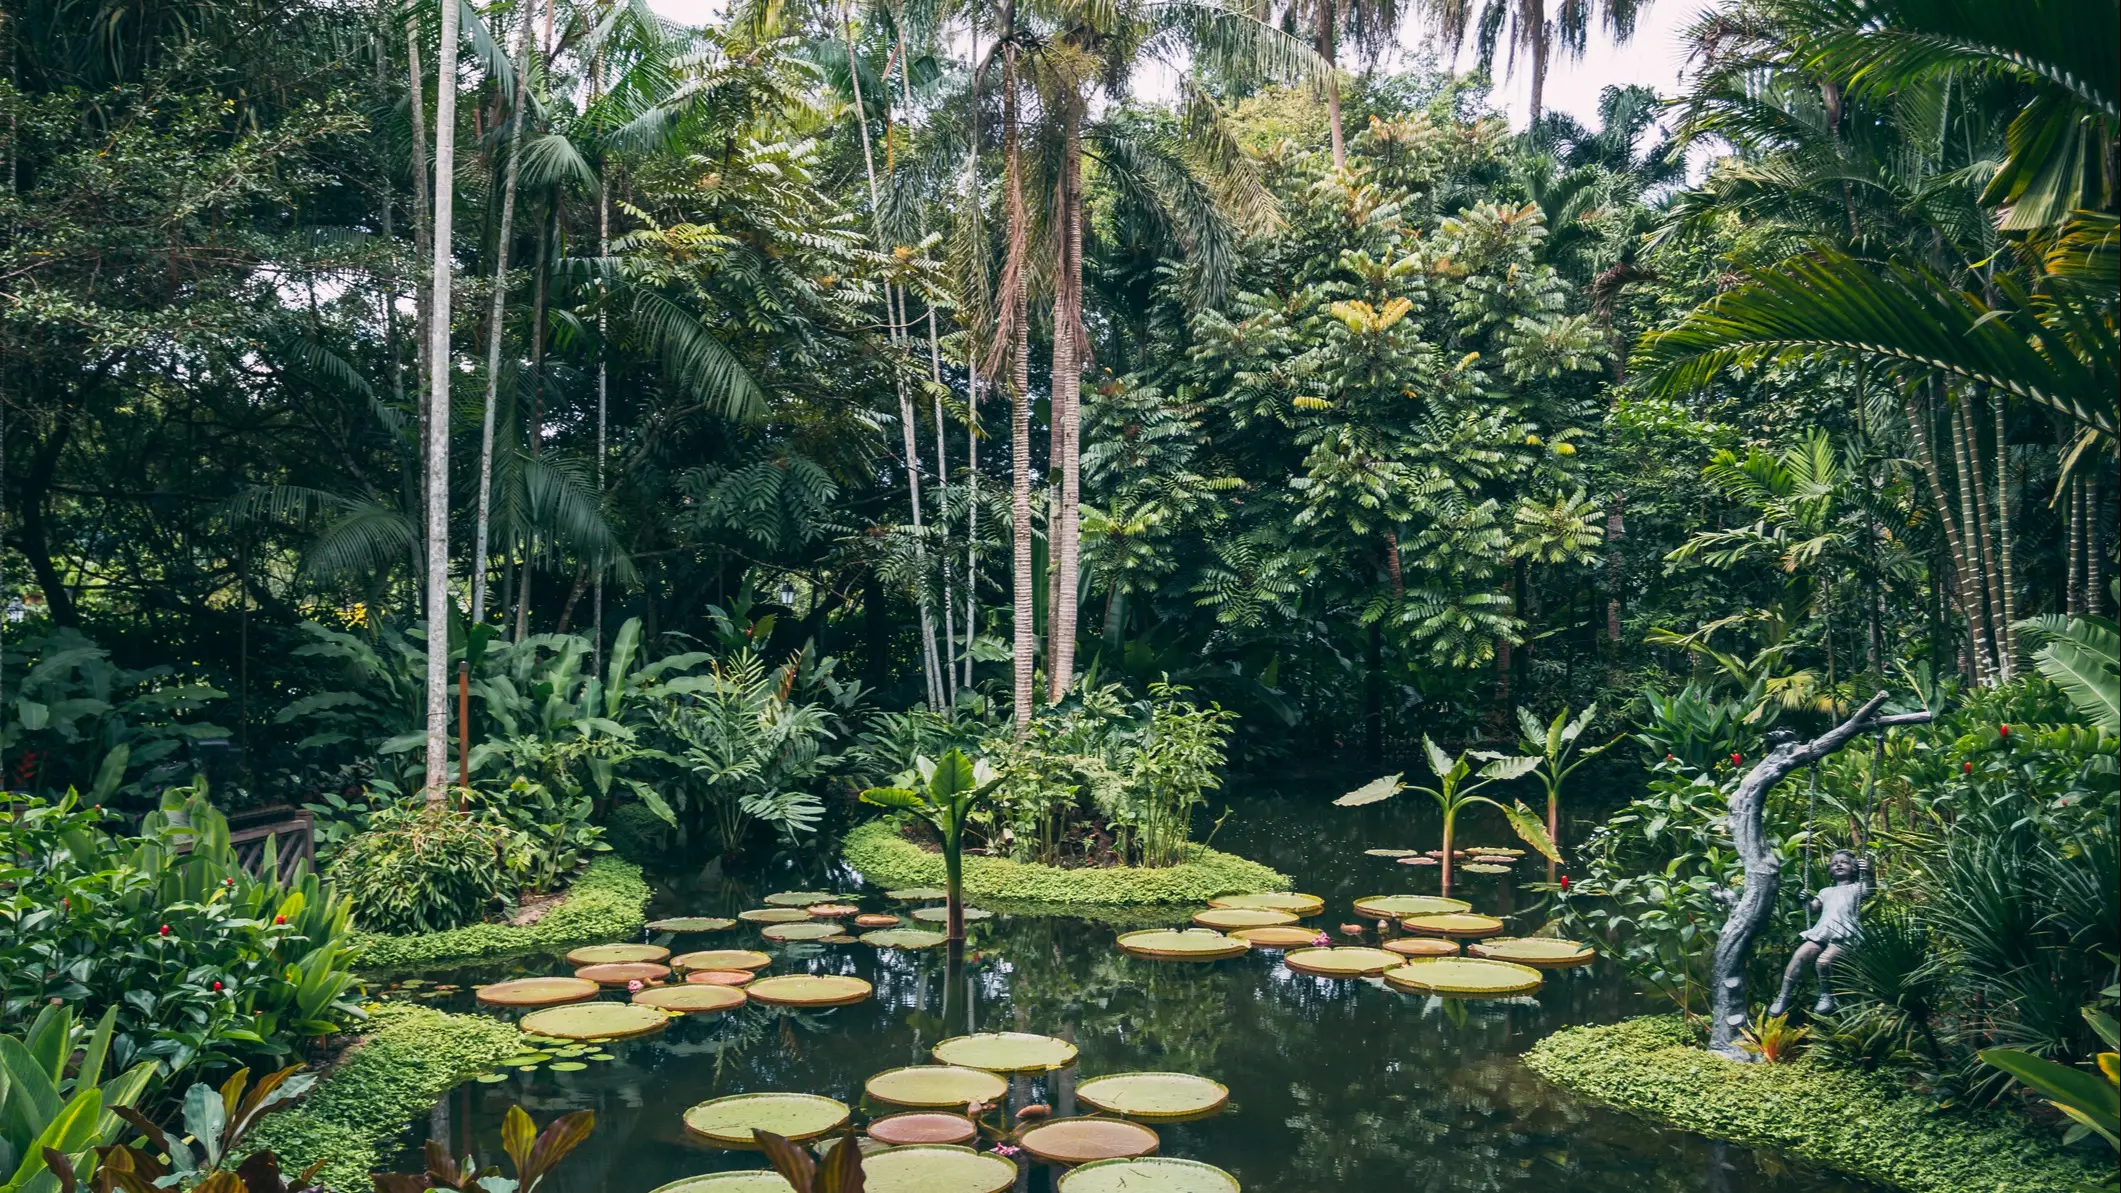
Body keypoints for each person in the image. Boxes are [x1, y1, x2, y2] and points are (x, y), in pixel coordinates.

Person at [1769, 849, 1871, 1016]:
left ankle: (1826, 995)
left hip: (1845, 933)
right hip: (1823, 930)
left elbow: (1871, 888)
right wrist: (1805, 900)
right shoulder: (1825, 891)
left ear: (1854, 868)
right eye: (1834, 863)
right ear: (1830, 870)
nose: (1838, 864)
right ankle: (1783, 997)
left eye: (1844, 862)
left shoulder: (1857, 888)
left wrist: (1869, 872)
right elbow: (1812, 909)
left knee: (1823, 962)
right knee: (1800, 955)